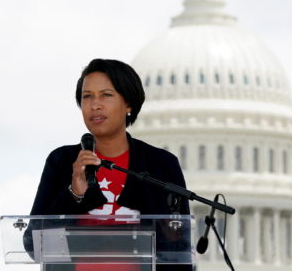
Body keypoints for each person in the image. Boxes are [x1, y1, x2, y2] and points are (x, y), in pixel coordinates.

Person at [26, 59, 191, 270]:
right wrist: (73, 194)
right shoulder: (61, 161)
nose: (95, 105)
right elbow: (32, 245)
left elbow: (178, 249)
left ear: (129, 103)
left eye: (106, 95)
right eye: (87, 97)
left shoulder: (161, 165)